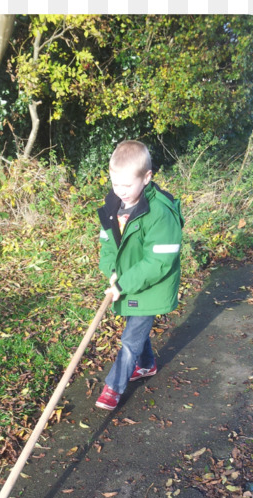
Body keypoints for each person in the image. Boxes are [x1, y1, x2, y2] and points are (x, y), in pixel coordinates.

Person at [95, 140, 183, 411]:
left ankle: (113, 387)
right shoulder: (114, 205)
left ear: (146, 178)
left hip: (151, 286)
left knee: (131, 338)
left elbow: (158, 261)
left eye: (127, 186)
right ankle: (146, 365)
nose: (120, 192)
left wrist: (124, 282)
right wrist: (111, 272)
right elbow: (107, 243)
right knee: (136, 330)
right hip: (129, 282)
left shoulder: (160, 214)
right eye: (115, 184)